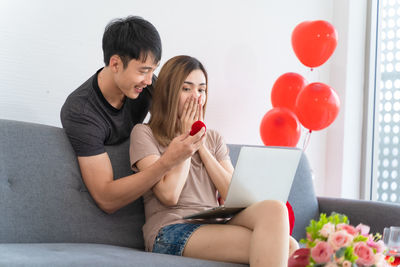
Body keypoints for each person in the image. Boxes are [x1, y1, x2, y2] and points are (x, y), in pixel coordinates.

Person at [129, 55, 299, 267]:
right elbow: (169, 195)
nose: (196, 97)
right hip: (171, 228)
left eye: (202, 90)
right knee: (284, 247)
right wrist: (187, 141)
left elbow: (232, 196)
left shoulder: (214, 138)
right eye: (186, 89)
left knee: (276, 210)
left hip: (213, 221)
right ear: (168, 92)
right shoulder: (144, 133)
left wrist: (202, 147)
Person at [60, 16, 204, 214]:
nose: (149, 79)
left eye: (153, 70)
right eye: (144, 71)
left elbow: (177, 119)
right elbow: (106, 198)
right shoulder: (81, 111)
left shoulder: (145, 85)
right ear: (116, 64)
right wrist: (166, 162)